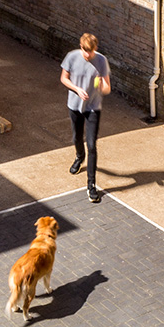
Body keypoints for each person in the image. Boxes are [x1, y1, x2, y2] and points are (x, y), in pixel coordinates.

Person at [60, 33, 110, 202]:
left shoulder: (101, 60)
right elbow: (63, 79)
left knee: (92, 146)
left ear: (96, 48)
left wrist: (102, 86)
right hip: (74, 105)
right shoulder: (71, 57)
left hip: (93, 108)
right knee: (76, 138)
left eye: (91, 51)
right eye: (85, 50)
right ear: (81, 46)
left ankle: (91, 185)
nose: (88, 55)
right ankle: (79, 157)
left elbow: (107, 88)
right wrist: (77, 89)